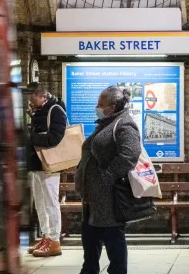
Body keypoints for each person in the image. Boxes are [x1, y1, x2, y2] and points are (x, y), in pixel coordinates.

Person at [76, 86, 141, 274]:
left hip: (109, 198)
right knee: (90, 240)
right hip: (93, 197)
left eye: (100, 104)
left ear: (111, 107)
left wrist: (107, 177)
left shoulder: (124, 124)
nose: (97, 106)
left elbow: (129, 155)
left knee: (114, 240)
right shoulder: (106, 123)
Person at [26, 82, 67, 257]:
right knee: (40, 203)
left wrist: (30, 138)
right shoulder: (38, 110)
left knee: (51, 202)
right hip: (36, 164)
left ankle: (55, 240)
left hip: (50, 165)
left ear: (42, 95)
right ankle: (46, 236)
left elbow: (55, 138)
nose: (30, 101)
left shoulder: (55, 109)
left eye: (32, 98)